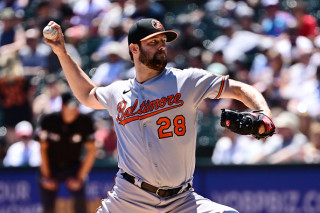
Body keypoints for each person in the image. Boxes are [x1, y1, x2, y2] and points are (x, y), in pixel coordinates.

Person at [44, 18, 273, 213]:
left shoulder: (187, 81)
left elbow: (240, 89)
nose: (161, 46)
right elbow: (87, 94)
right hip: (130, 199)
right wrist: (61, 52)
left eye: (163, 42)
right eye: (153, 42)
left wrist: (263, 114)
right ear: (134, 49)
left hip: (181, 200)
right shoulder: (118, 92)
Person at [37, 91, 96, 213]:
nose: (74, 109)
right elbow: (42, 149)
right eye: (71, 105)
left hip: (74, 166)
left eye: (77, 105)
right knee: (48, 208)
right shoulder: (48, 120)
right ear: (63, 106)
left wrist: (80, 178)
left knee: (81, 207)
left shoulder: (85, 121)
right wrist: (47, 176)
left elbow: (92, 151)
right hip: (51, 165)